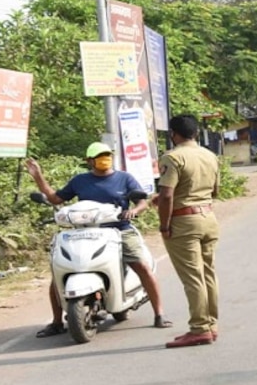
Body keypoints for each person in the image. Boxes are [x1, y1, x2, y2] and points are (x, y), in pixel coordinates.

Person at [25, 142, 172, 337]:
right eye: (100, 156)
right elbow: (55, 199)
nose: (105, 159)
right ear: (89, 161)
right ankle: (57, 322)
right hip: (84, 232)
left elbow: (142, 202)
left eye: (107, 155)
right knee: (59, 273)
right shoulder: (80, 181)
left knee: (141, 265)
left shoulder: (124, 178)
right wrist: (38, 176)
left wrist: (133, 211)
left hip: (119, 230)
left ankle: (159, 313)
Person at [155, 114, 222, 348]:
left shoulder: (172, 157)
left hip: (184, 222)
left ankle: (199, 328)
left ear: (174, 134)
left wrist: (164, 226)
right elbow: (214, 191)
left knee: (193, 277)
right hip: (208, 217)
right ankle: (211, 324)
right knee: (208, 273)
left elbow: (166, 195)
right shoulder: (210, 156)